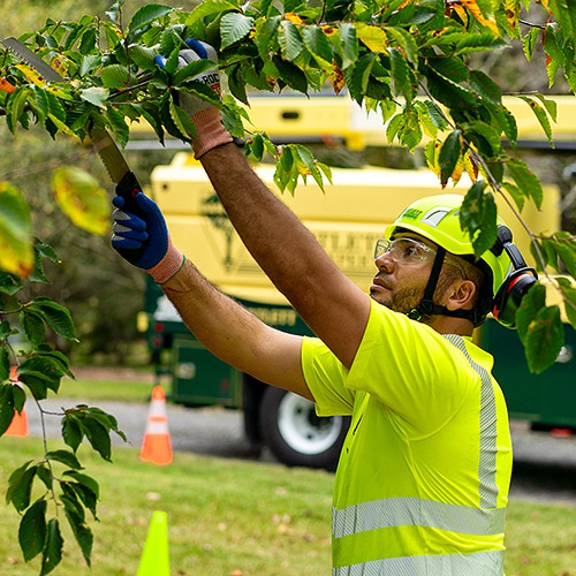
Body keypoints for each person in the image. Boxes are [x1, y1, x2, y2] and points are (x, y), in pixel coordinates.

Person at [111, 40, 518, 575]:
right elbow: (255, 345)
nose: (385, 261)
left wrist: (211, 135)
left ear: (459, 294)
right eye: (388, 246)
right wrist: (167, 264)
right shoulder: (393, 375)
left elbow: (307, 281)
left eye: (410, 252)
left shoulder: (440, 371)